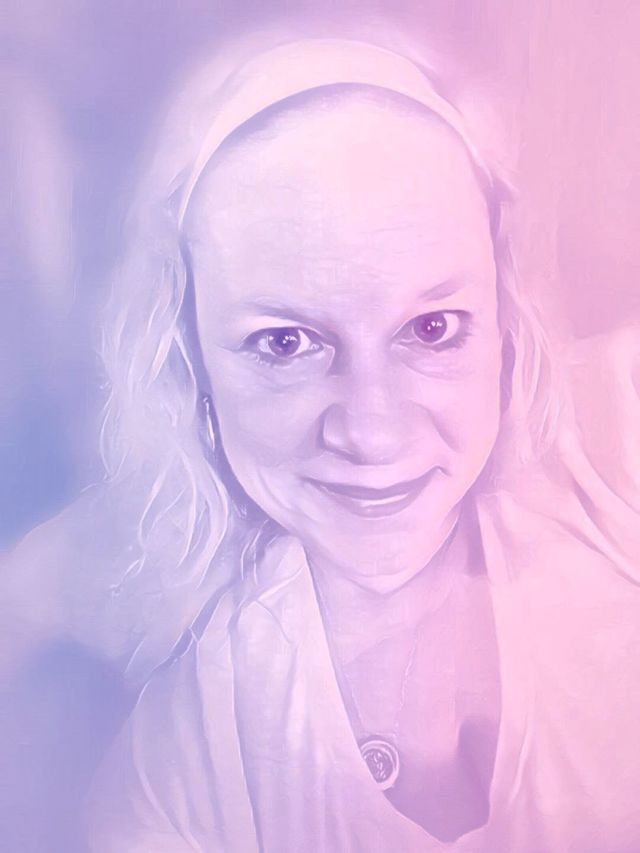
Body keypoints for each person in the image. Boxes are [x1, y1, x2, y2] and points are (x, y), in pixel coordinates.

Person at [3, 29, 640, 853]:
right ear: (189, 364)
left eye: (433, 327)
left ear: (504, 321)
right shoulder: (192, 764)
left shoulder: (606, 457)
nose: (372, 429)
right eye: (285, 343)